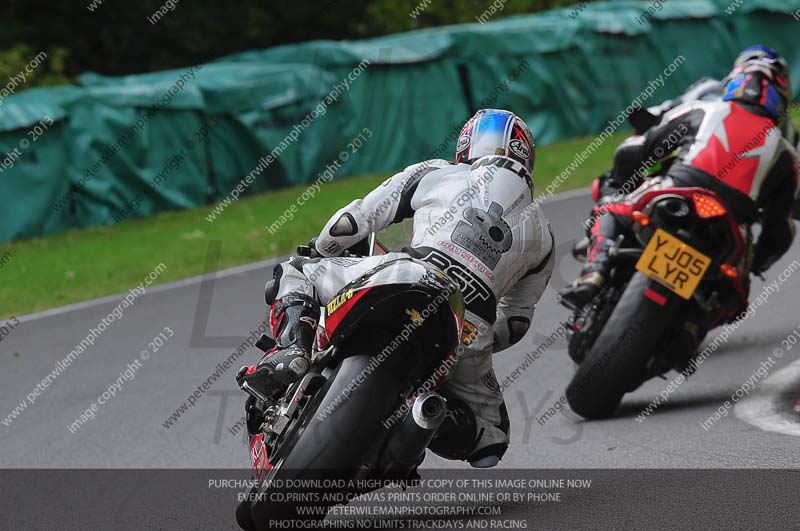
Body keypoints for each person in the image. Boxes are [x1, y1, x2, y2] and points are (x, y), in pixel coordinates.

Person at [236, 109, 555, 468]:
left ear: (466, 146)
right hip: (468, 323)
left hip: (409, 274)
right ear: (526, 155)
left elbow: (352, 222)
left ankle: (292, 351)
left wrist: (321, 250)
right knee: (491, 439)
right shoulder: (544, 234)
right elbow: (515, 323)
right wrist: (478, 341)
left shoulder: (439, 172)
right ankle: (425, 417)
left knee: (295, 272)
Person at [560, 46, 799, 307]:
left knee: (613, 208)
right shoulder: (786, 151)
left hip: (683, 184)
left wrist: (622, 178)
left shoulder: (707, 108)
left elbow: (640, 146)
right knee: (735, 285)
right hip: (730, 221)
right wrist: (756, 264)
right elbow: (779, 225)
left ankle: (596, 269)